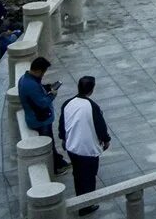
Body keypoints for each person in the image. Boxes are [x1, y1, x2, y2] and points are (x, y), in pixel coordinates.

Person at [58, 76, 110, 214]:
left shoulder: (68, 103)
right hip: (87, 149)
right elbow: (101, 127)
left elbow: (62, 124)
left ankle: (80, 200)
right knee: (89, 177)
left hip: (72, 148)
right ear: (92, 90)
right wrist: (106, 140)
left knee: (78, 175)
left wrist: (64, 138)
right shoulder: (92, 106)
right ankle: (87, 205)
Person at [18, 57, 67, 171]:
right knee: (48, 143)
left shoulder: (25, 79)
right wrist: (52, 94)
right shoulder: (30, 85)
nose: (43, 75)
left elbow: (36, 94)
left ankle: (59, 161)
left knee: (51, 143)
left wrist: (46, 88)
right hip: (40, 120)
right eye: (43, 72)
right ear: (39, 71)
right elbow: (43, 103)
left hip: (37, 117)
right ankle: (57, 167)